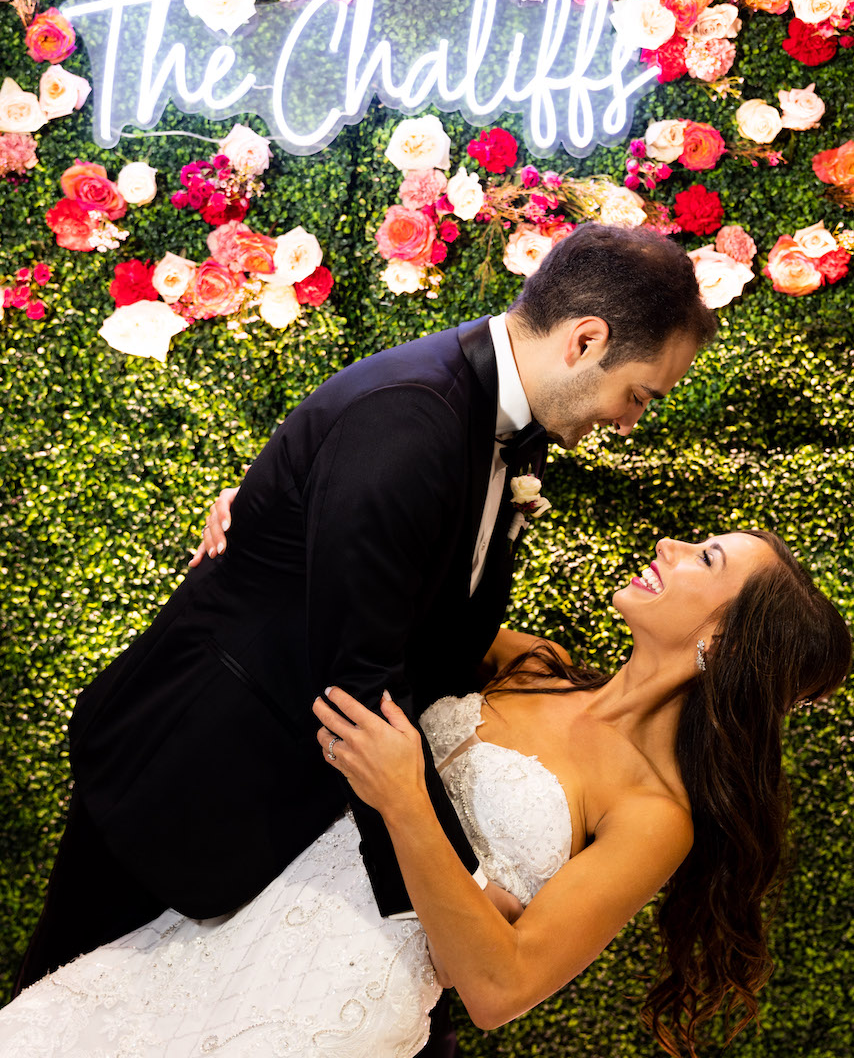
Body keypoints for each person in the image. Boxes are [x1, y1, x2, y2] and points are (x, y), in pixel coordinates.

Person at [15, 224, 715, 1000]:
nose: (629, 422)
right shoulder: (411, 422)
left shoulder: (511, 426)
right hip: (184, 773)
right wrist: (463, 883)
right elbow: (361, 684)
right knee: (64, 1009)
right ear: (586, 341)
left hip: (276, 799)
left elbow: (431, 622)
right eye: (639, 395)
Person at [0, 530, 848, 1056]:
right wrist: (256, 523)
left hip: (331, 1004)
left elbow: (499, 988)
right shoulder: (533, 666)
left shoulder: (655, 815)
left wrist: (408, 800)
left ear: (726, 646)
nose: (668, 547)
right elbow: (370, 596)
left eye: (705, 559)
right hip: (227, 915)